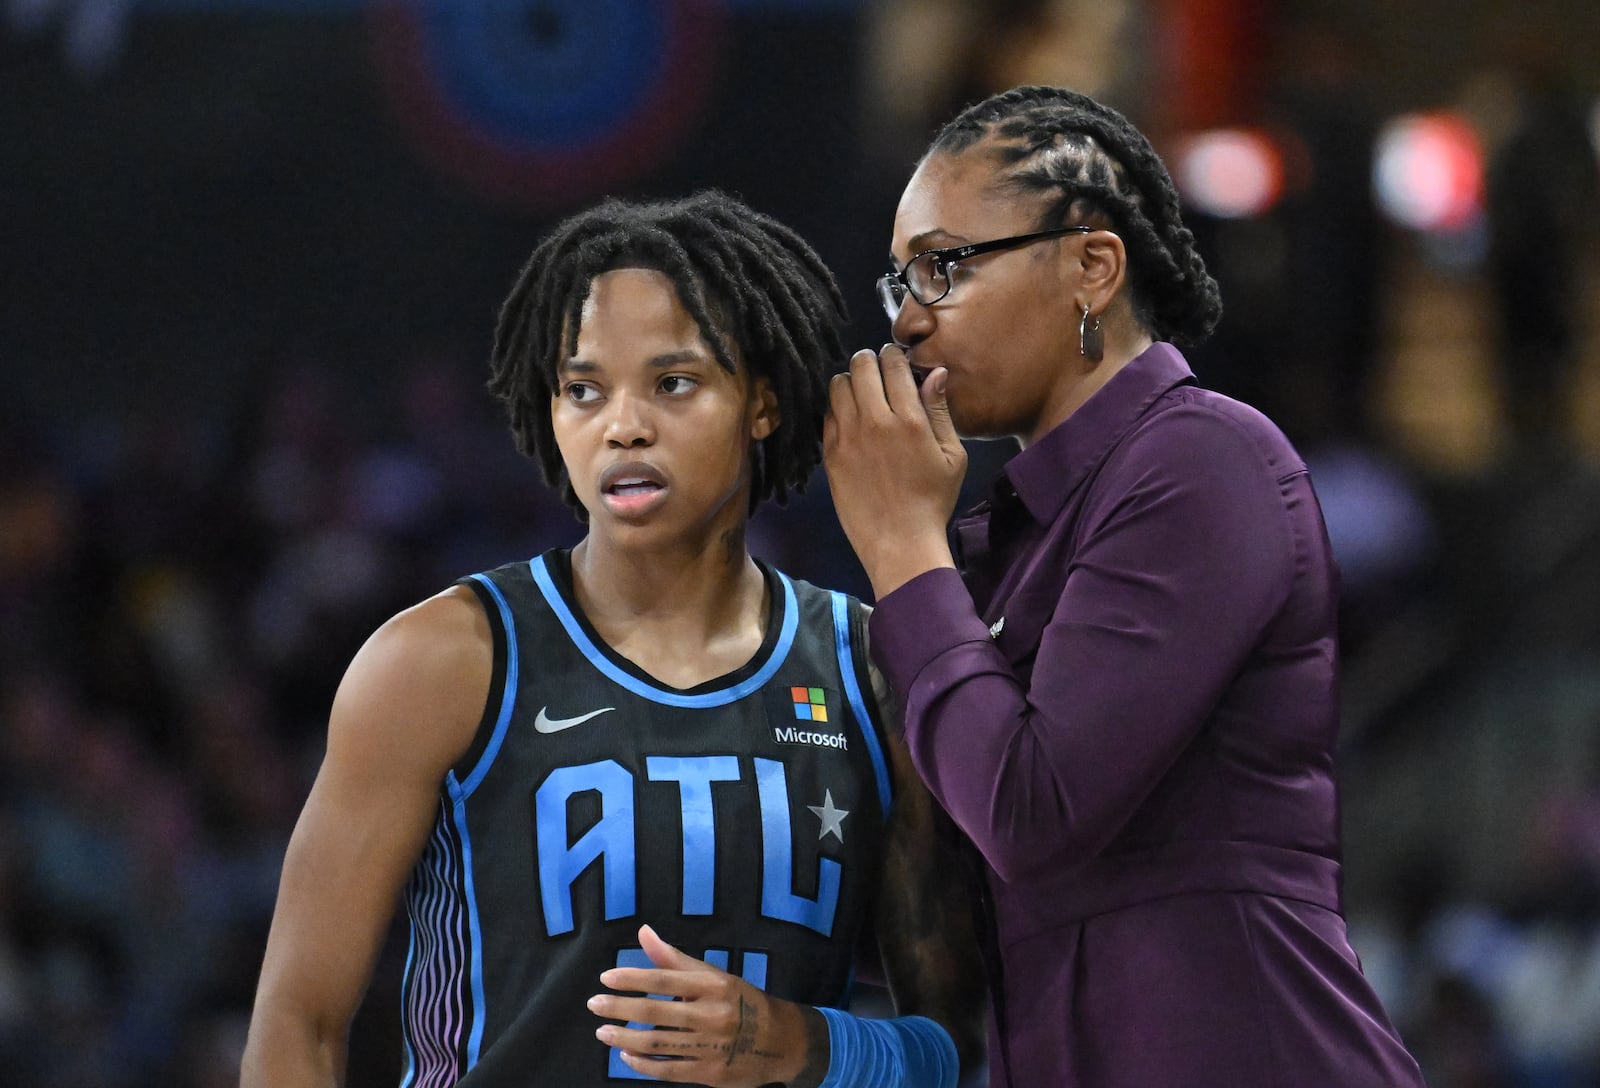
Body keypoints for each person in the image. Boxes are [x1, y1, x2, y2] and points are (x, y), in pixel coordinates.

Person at [240, 191, 984, 1088]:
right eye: (584, 389)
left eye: (673, 383)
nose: (622, 426)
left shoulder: (870, 668)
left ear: (759, 401)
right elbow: (296, 1023)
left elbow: (959, 1052)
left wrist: (801, 1044)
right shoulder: (443, 661)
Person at [822, 85, 1425, 1088]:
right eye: (899, 283)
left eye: (943, 267)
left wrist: (899, 550)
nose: (910, 322)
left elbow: (1032, 807)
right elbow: (941, 910)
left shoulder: (1200, 460)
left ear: (1092, 266)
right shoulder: (999, 544)